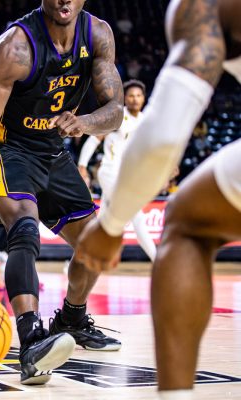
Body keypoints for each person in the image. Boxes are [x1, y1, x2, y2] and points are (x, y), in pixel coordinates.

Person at [75, 0, 241, 396]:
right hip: (115, 174)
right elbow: (95, 145)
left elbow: (162, 139)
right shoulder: (117, 117)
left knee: (186, 223)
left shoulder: (201, 7)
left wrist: (108, 225)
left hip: (132, 178)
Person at [0, 0, 124, 385]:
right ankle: (31, 339)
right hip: (9, 149)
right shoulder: (15, 47)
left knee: (96, 245)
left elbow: (115, 110)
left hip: (53, 151)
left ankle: (72, 318)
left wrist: (84, 121)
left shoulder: (98, 34)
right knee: (25, 228)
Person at [77, 79, 157, 261]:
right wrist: (82, 165)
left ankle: (79, 259)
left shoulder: (146, 121)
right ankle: (159, 261)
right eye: (131, 96)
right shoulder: (117, 117)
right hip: (110, 172)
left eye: (138, 96)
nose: (135, 99)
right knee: (136, 214)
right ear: (125, 98)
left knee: (102, 222)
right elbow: (95, 139)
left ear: (144, 98)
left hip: (128, 176)